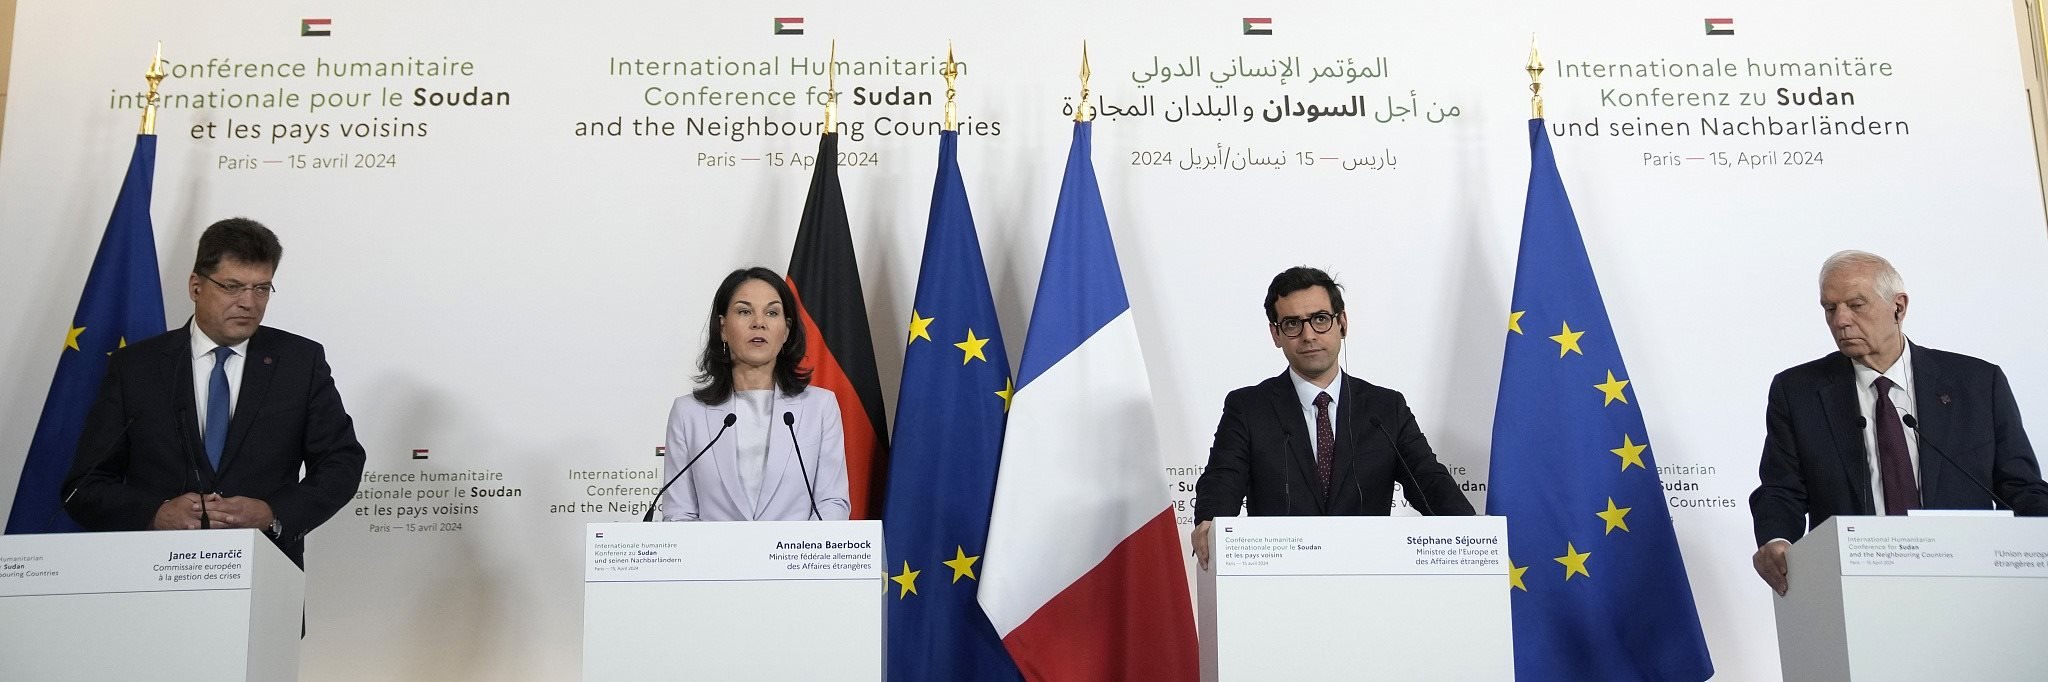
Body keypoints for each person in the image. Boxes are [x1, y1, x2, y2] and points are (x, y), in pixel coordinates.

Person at [63, 218, 364, 568]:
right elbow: (86, 485)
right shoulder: (136, 368)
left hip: (264, 569)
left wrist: (272, 513)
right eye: (232, 287)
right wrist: (155, 514)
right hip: (154, 571)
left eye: (261, 288)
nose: (248, 303)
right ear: (196, 286)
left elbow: (341, 463)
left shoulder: (299, 362)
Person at [1750, 250, 2048, 594]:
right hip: (1856, 584)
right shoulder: (1798, 391)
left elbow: (2020, 487)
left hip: (1967, 582)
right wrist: (1777, 539)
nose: (1841, 320)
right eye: (1830, 308)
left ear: (1898, 307)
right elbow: (1781, 489)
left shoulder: (1977, 383)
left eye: (1856, 305)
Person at [1191, 266, 1473, 568]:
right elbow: (1223, 478)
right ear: (1275, 334)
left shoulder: (1385, 409)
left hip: (1367, 573)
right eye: (1292, 324)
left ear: (1342, 324)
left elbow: (1428, 480)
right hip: (1280, 576)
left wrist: (1472, 533)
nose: (1308, 335)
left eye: (1320, 319)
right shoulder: (1249, 408)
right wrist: (1210, 521)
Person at [660, 267, 850, 521]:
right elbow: (678, 512)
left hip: (796, 548)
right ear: (723, 327)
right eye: (744, 311)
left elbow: (831, 502)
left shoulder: (820, 407)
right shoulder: (688, 413)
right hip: (716, 549)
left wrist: (793, 547)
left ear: (786, 330)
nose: (759, 322)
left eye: (772, 313)